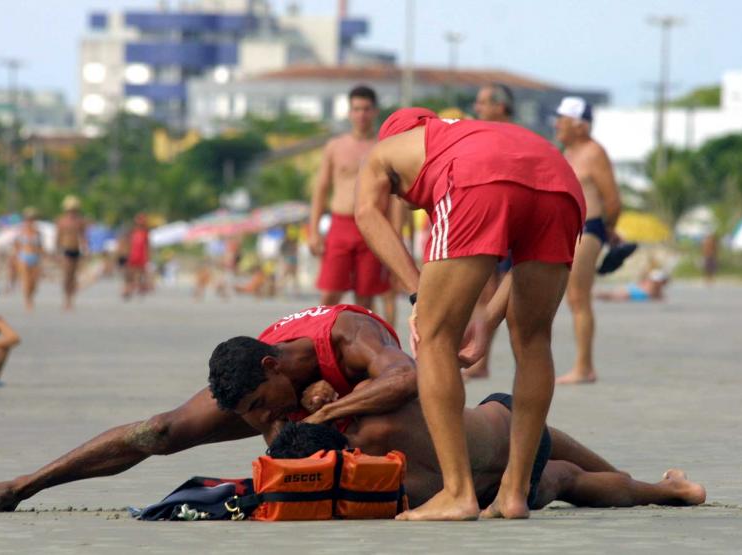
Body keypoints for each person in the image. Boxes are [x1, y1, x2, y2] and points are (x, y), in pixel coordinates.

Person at [355, 107, 585, 520]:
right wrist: (488, 321)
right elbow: (520, 266)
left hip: (475, 177)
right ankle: (514, 492)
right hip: (559, 180)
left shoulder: (387, 150)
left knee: (434, 339)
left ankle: (458, 493)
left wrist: (419, 297)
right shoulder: (470, 133)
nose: (400, 199)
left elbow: (366, 214)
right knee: (534, 340)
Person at [0, 304, 417, 512]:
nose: (261, 419)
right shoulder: (259, 378)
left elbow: (406, 377)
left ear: (272, 367)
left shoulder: (347, 337)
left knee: (367, 430)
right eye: (249, 412)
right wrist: (24, 486)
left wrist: (323, 414)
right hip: (298, 394)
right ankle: (23, 486)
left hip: (368, 410)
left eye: (259, 405)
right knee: (160, 430)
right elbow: (169, 429)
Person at [269, 394, 706, 513]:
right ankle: (660, 484)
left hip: (500, 490)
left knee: (567, 478)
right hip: (507, 424)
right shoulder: (376, 416)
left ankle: (668, 492)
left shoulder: (374, 492)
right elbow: (403, 375)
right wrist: (325, 402)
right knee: (549, 443)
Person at [549, 97, 621, 386]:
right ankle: (582, 364)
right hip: (569, 229)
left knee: (579, 296)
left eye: (562, 119)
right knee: (571, 297)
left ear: (580, 126)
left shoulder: (594, 153)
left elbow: (612, 200)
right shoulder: (567, 152)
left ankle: (584, 367)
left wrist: (609, 230)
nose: (557, 124)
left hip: (590, 228)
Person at [308, 85, 392, 314]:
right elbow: (321, 190)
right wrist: (314, 231)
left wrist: (395, 234)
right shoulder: (335, 146)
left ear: (375, 111)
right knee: (329, 294)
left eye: (366, 109)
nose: (361, 115)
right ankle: (323, 336)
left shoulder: (384, 147)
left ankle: (360, 338)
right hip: (341, 224)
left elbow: (394, 195)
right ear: (349, 112)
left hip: (373, 225)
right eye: (356, 109)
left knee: (365, 298)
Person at [462, 83, 517, 379]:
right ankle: (478, 358)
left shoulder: (514, 138)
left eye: (483, 102)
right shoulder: (481, 135)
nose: (477, 107)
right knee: (483, 293)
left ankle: (480, 359)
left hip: (509, 222)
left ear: (501, 106)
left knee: (500, 296)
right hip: (486, 220)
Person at [55, 195, 88, 310]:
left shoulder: (80, 221)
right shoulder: (61, 221)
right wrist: (57, 252)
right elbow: (58, 237)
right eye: (70, 210)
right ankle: (66, 299)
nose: (72, 212)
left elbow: (83, 237)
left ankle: (71, 299)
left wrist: (85, 250)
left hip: (76, 250)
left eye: (74, 210)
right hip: (66, 250)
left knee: (73, 276)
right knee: (67, 275)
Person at [15, 207, 43, 311]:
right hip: (24, 257)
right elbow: (16, 246)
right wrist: (16, 257)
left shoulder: (38, 233)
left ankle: (30, 296)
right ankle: (27, 300)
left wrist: (43, 257)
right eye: (28, 219)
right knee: (26, 280)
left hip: (35, 257)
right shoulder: (21, 232)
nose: (30, 221)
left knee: (34, 282)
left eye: (32, 219)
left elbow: (40, 247)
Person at [123, 213, 150, 300]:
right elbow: (127, 243)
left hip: (141, 256)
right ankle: (128, 289)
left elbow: (147, 246)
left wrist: (148, 256)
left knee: (141, 274)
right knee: (129, 274)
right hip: (132, 255)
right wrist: (126, 253)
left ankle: (140, 288)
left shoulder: (145, 232)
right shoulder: (132, 231)